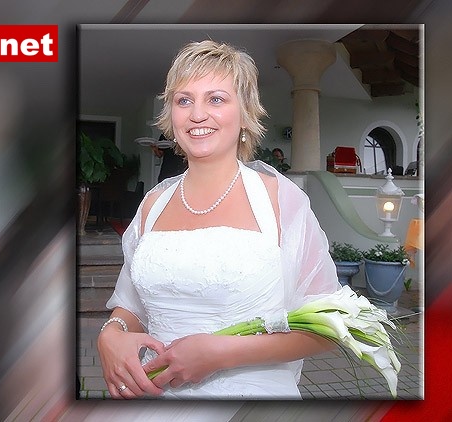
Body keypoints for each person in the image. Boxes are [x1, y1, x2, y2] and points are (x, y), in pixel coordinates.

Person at [97, 40, 340, 399]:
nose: (197, 114)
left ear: (244, 113)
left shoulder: (280, 201)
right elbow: (130, 305)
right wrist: (111, 334)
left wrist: (222, 353)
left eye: (215, 99)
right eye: (184, 100)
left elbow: (329, 326)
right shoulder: (152, 205)